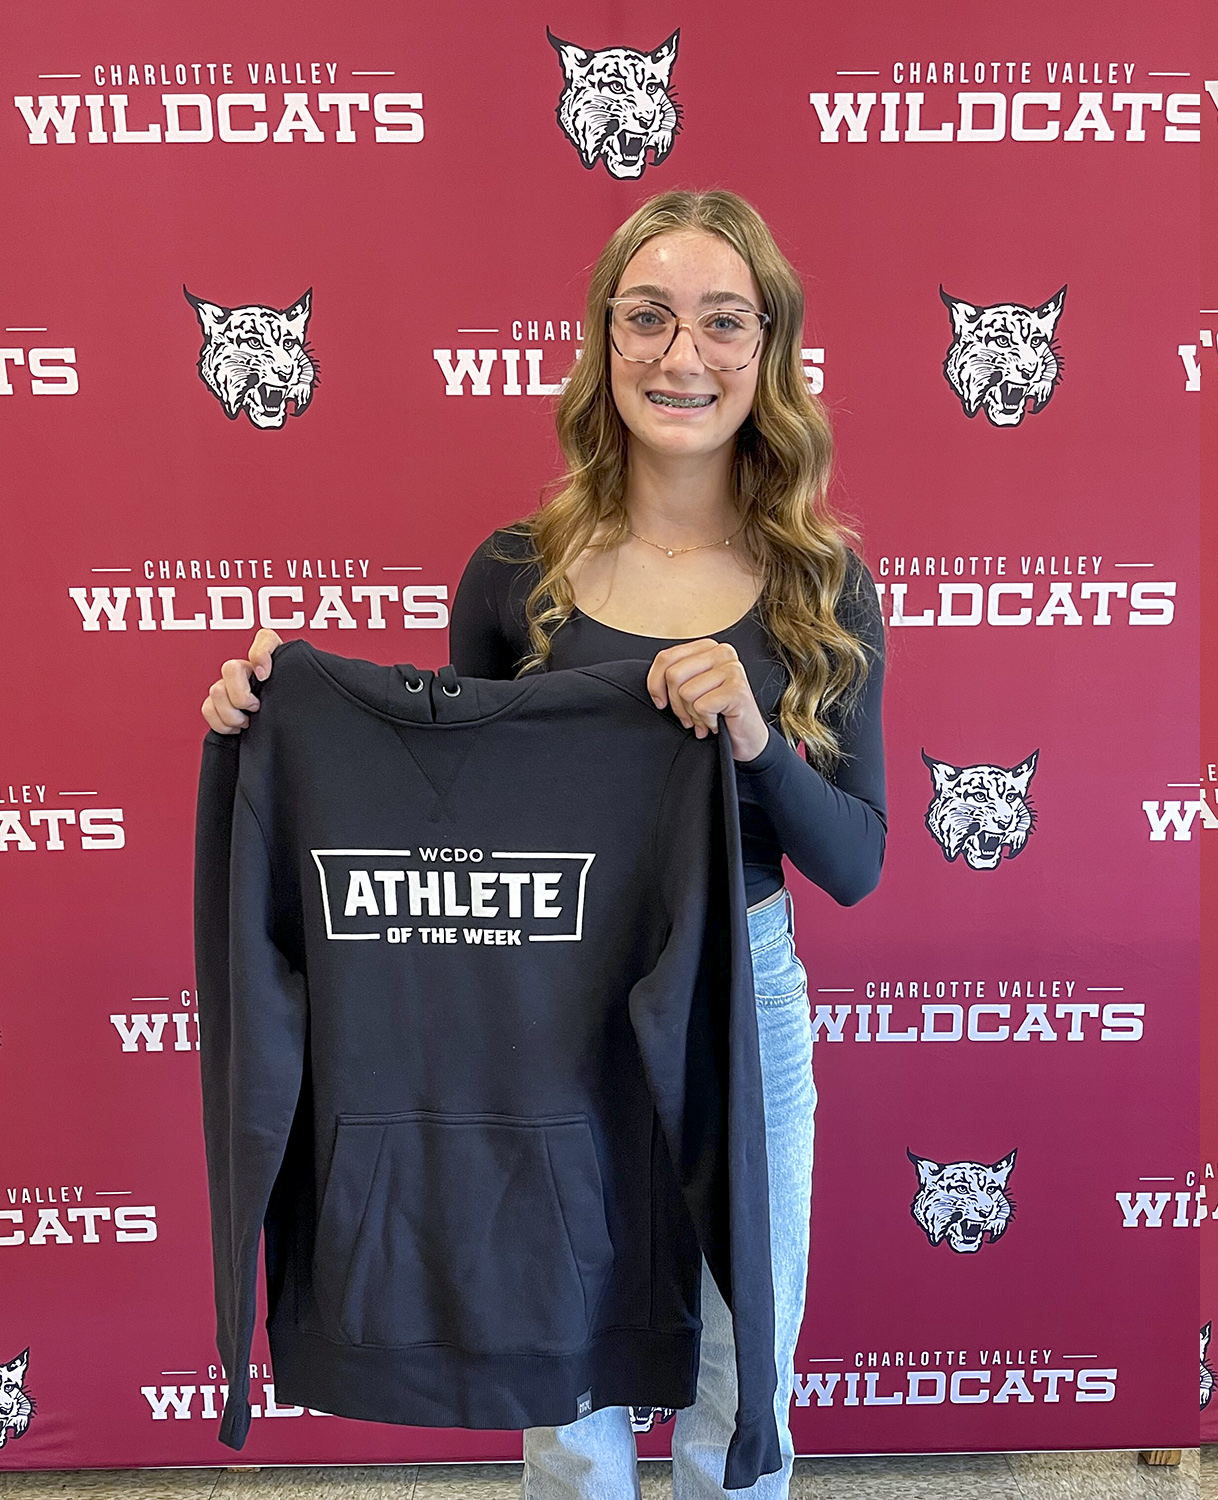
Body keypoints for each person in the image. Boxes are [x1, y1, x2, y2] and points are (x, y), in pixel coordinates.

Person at [200, 188, 888, 1500]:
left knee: (742, 1368)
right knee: (563, 1377)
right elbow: (443, 808)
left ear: (768, 349)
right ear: (604, 342)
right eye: (649, 319)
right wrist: (268, 726)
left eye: (721, 322)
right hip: (545, 1002)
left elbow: (855, 861)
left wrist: (753, 734)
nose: (683, 356)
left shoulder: (821, 582)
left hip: (744, 999)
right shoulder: (517, 572)